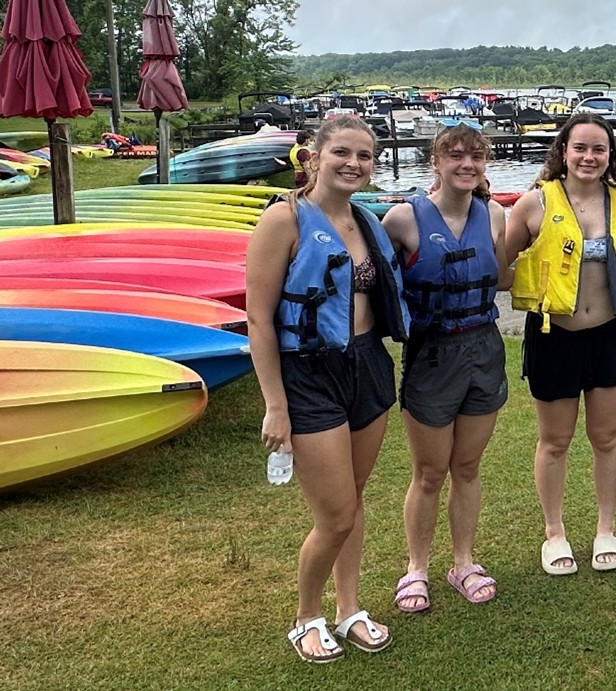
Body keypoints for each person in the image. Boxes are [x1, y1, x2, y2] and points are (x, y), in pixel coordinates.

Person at [245, 116, 409, 662]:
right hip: (308, 374)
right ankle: (306, 617)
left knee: (354, 500)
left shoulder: (367, 221)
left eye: (364, 155)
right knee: (335, 514)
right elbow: (259, 320)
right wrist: (275, 404)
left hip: (368, 366)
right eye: (341, 152)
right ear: (314, 156)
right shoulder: (284, 220)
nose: (353, 164)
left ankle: (349, 608)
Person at [504, 112, 616, 576]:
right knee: (555, 441)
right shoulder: (533, 203)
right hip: (554, 336)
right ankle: (554, 532)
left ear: (610, 155)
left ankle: (606, 529)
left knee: (606, 438)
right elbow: (499, 266)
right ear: (563, 152)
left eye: (598, 149)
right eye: (580, 148)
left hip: (611, 334)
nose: (589, 157)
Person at [381, 125, 508, 613]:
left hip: (483, 349)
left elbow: (503, 275)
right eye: (455, 156)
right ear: (435, 162)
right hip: (431, 354)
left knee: (468, 467)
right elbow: (374, 284)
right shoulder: (402, 220)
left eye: (475, 156)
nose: (466, 164)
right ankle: (416, 567)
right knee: (430, 472)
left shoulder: (494, 215)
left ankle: (463, 563)